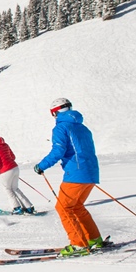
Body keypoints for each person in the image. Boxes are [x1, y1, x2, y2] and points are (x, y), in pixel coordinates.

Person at [32, 98, 106, 257]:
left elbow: (58, 151)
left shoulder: (60, 128)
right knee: (77, 207)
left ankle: (79, 244)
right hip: (91, 173)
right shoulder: (83, 128)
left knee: (63, 208)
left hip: (76, 173)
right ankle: (94, 239)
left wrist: (41, 166)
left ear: (55, 112)